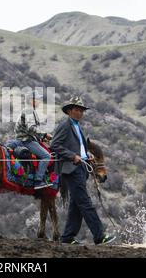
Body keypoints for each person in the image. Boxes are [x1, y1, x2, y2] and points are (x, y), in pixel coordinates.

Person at [50, 95, 116, 245]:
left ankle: (67, 237)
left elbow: (80, 148)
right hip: (71, 169)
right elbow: (54, 145)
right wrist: (72, 156)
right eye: (77, 109)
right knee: (85, 203)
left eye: (82, 110)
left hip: (81, 169)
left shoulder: (78, 127)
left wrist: (86, 156)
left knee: (76, 204)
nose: (80, 113)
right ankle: (99, 236)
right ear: (69, 111)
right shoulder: (65, 126)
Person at [14, 90, 53, 189]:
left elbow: (30, 130)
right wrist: (44, 134)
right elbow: (31, 128)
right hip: (26, 141)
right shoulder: (29, 111)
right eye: (38, 99)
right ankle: (38, 181)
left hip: (25, 138)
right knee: (46, 156)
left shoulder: (29, 110)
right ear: (31, 100)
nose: (39, 101)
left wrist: (42, 137)